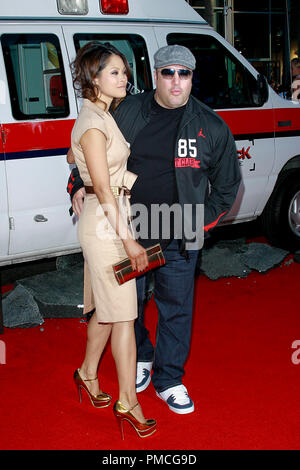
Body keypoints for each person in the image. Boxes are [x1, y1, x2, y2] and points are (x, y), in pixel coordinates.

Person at [68, 44, 241, 415]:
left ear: (193, 77)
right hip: (129, 232)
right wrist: (77, 184)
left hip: (180, 237)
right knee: (131, 308)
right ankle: (143, 358)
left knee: (177, 310)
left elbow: (227, 188)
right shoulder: (127, 110)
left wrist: (196, 223)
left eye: (185, 73)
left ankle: (169, 380)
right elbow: (93, 151)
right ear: (156, 76)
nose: (177, 81)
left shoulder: (211, 125)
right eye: (168, 73)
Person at [69, 41, 156, 439]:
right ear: (94, 78)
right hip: (108, 223)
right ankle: (128, 401)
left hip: (113, 217)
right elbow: (103, 190)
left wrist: (78, 165)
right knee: (125, 313)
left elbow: (85, 160)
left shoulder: (101, 116)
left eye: (124, 71)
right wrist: (131, 242)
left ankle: (87, 373)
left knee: (107, 309)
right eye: (116, 71)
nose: (125, 78)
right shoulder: (93, 120)